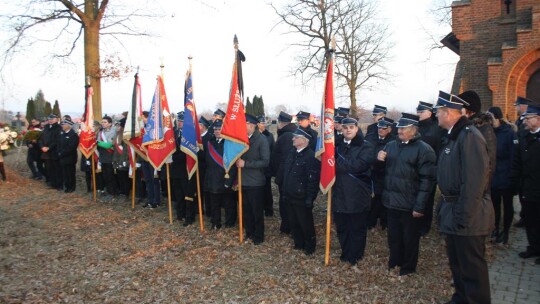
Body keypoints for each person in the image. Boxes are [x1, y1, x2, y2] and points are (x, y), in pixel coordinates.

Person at [435, 90, 494, 304]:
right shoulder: (455, 136)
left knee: (472, 270)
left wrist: (463, 216)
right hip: (454, 211)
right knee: (458, 265)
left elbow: (475, 182)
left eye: (439, 112)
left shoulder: (469, 137)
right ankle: (460, 298)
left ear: (450, 113)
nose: (436, 116)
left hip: (469, 216)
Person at [377, 113, 436, 276]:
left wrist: (419, 206)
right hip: (391, 201)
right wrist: (379, 160)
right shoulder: (390, 145)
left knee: (410, 238)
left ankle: (408, 267)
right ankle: (395, 260)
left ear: (413, 129)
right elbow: (381, 173)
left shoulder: (424, 150)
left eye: (403, 128)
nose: (399, 131)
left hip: (410, 204)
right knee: (394, 236)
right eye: (399, 128)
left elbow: (427, 181)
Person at [333, 117, 374, 265]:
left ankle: (356, 255)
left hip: (358, 193)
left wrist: (334, 164)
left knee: (357, 227)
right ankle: (346, 252)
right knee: (342, 227)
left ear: (357, 129)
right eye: (345, 127)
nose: (348, 130)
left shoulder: (366, 146)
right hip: (339, 192)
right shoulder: (335, 145)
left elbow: (358, 166)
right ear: (341, 129)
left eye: (351, 127)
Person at [278, 128, 320, 255]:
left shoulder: (311, 156)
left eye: (295, 137)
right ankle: (298, 243)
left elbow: (312, 180)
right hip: (289, 194)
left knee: (305, 223)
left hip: (301, 196)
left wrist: (310, 198)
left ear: (304, 140)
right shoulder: (292, 153)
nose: (293, 139)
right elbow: (287, 174)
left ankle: (309, 246)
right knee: (293, 221)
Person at [511, 100, 540, 265]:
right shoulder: (524, 136)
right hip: (527, 187)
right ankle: (533, 247)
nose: (525, 121)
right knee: (530, 219)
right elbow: (517, 161)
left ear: (538, 118)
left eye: (528, 118)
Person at [236, 113, 270, 244]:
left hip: (256, 182)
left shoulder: (262, 140)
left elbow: (265, 161)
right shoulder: (241, 139)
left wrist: (246, 164)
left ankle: (258, 236)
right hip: (243, 180)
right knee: (246, 211)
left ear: (251, 125)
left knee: (256, 212)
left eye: (243, 124)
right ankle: (249, 233)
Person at [488, 106, 517, 244]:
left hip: (505, 175)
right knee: (494, 204)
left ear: (497, 118)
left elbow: (513, 156)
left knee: (507, 205)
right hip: (493, 175)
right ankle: (495, 229)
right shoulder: (489, 132)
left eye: (491, 117)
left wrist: (512, 176)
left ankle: (505, 232)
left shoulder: (509, 133)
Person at [416, 101, 443, 236]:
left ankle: (424, 226)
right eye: (418, 111)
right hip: (415, 168)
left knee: (427, 198)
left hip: (430, 168)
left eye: (421, 112)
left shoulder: (436, 127)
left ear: (430, 112)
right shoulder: (416, 126)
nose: (418, 114)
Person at [204, 119, 237, 229]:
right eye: (215, 129)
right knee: (214, 203)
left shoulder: (229, 143)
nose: (217, 131)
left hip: (225, 178)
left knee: (229, 203)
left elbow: (232, 165)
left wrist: (229, 181)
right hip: (213, 178)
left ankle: (230, 222)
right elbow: (206, 162)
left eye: (219, 129)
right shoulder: (210, 143)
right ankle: (215, 222)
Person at [272, 111, 297, 234]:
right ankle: (287, 225)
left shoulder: (286, 136)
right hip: (285, 175)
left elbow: (285, 159)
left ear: (280, 123)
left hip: (285, 177)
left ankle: (288, 226)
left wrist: (280, 177)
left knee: (285, 202)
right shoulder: (288, 133)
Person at [367, 117, 395, 230]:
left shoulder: (394, 141)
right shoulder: (370, 138)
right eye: (379, 127)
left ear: (389, 129)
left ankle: (385, 222)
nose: (380, 130)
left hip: (386, 173)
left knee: (384, 198)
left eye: (383, 128)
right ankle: (370, 221)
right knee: (373, 199)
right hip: (372, 172)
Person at [171, 111, 197, 225]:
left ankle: (189, 216)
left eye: (182, 121)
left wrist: (174, 157)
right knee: (178, 193)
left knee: (188, 194)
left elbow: (189, 153)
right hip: (176, 169)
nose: (180, 123)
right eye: (179, 121)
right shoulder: (173, 133)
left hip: (187, 169)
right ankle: (180, 214)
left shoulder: (191, 135)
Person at [513, 96, 532, 228]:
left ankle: (527, 217)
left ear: (523, 106)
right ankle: (525, 217)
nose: (516, 108)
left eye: (517, 105)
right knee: (522, 192)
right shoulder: (519, 121)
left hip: (528, 162)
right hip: (520, 160)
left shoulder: (526, 122)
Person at [97, 115, 118, 200]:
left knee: (110, 176)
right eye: (102, 122)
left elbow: (109, 145)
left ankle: (112, 192)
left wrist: (98, 142)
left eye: (105, 122)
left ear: (110, 124)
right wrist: (98, 142)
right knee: (105, 175)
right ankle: (108, 191)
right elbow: (98, 142)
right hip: (103, 156)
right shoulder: (101, 132)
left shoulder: (113, 132)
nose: (103, 123)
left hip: (110, 156)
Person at [257, 115, 275, 217]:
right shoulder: (252, 135)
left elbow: (272, 151)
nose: (264, 125)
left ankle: (268, 209)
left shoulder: (269, 136)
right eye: (262, 123)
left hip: (266, 168)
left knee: (267, 190)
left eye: (264, 123)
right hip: (256, 167)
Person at [39, 114, 63, 190]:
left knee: (57, 169)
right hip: (45, 152)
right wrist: (42, 146)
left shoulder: (59, 128)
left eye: (52, 119)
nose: (50, 120)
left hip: (54, 151)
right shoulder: (46, 128)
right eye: (49, 118)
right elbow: (40, 139)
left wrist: (49, 147)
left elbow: (57, 140)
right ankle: (52, 183)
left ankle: (59, 184)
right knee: (49, 168)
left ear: (56, 119)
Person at [57, 119, 79, 193]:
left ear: (68, 125)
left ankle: (71, 187)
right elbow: (59, 144)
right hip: (62, 157)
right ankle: (66, 186)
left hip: (70, 158)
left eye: (64, 124)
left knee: (70, 173)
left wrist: (62, 153)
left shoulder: (73, 135)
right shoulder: (62, 134)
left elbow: (71, 147)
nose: (62, 126)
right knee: (65, 173)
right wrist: (59, 152)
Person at [112, 118, 130, 199]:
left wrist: (124, 160)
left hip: (124, 159)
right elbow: (115, 148)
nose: (117, 127)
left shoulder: (126, 136)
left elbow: (126, 150)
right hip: (117, 158)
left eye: (119, 125)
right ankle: (121, 191)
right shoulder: (118, 134)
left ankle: (125, 193)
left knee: (124, 177)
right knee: (119, 176)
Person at [199, 116, 212, 218]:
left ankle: (208, 210)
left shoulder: (209, 138)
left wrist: (197, 151)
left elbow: (208, 155)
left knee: (207, 190)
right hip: (197, 167)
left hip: (206, 168)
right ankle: (199, 209)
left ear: (203, 127)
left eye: (198, 125)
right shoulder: (197, 137)